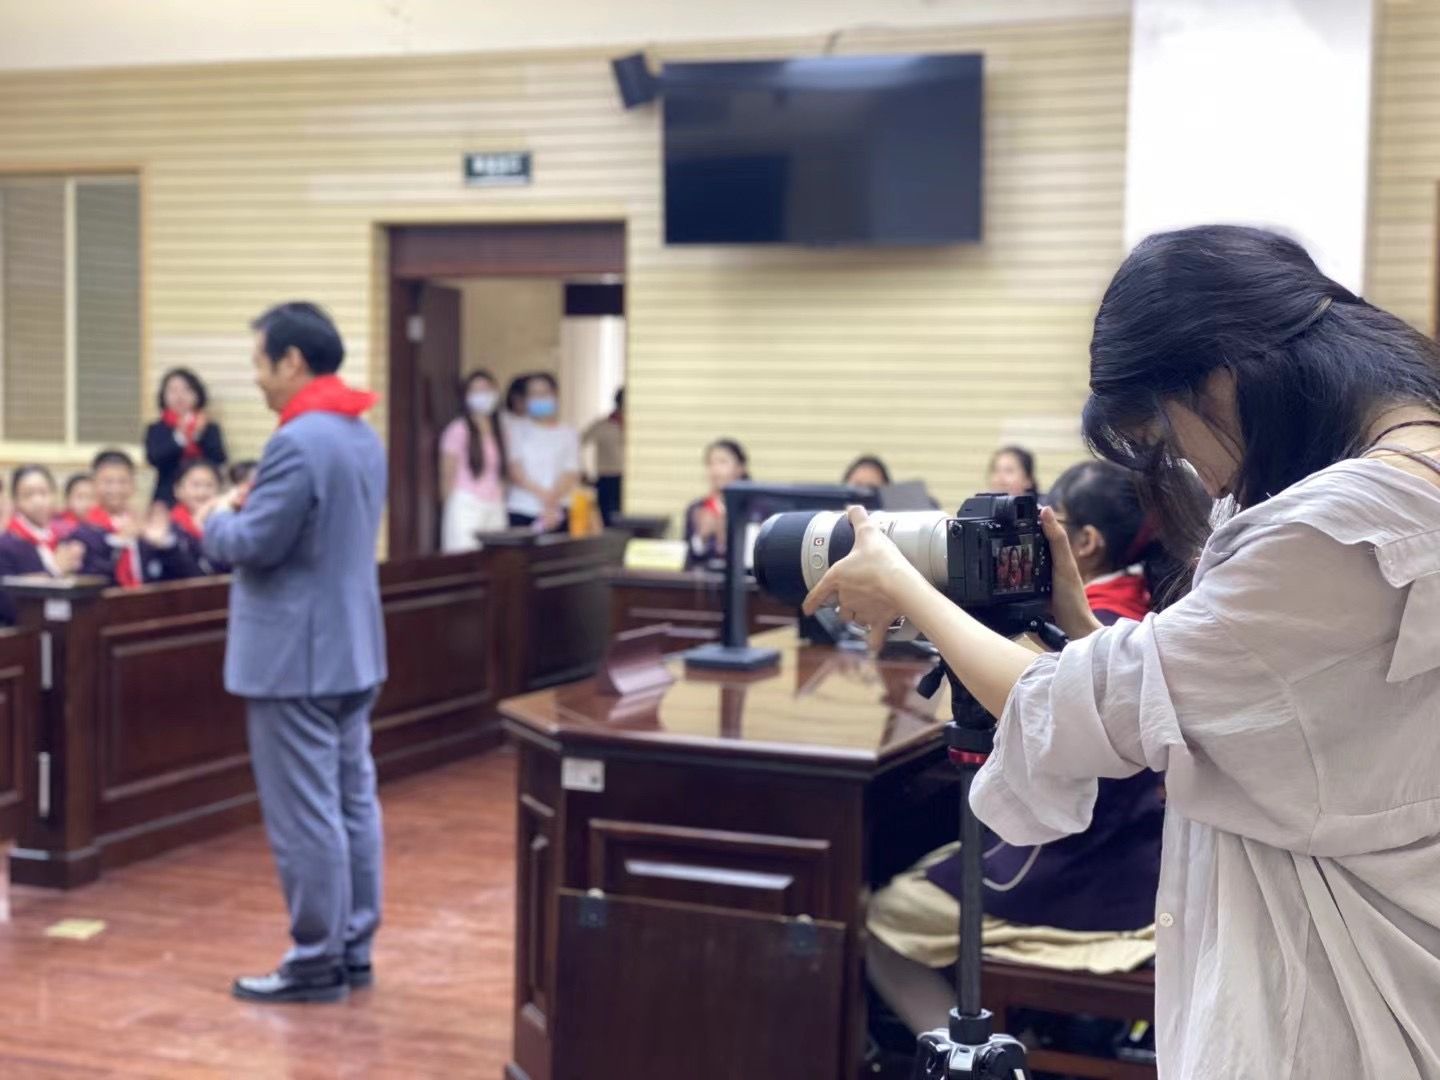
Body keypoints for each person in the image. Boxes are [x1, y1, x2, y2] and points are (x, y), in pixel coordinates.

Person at [804, 225, 1440, 1076]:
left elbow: (1072, 711)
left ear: (1216, 376)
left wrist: (905, 585)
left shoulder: (1330, 528)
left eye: (1168, 441)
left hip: (1333, 997)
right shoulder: (1413, 473)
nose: (1204, 479)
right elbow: (1239, 701)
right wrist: (1081, 622)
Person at [866, 458, 1195, 1039]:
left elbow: (1031, 711)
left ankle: (973, 1062)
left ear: (1086, 543)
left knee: (884, 917)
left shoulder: (1088, 627)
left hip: (1080, 868)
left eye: (1051, 523)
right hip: (1134, 855)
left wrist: (910, 594)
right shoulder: (1143, 610)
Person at [199, 301, 387, 1005]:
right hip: (352, 647)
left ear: (293, 361)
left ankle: (314, 960)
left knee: (306, 815)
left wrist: (215, 519)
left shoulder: (297, 441)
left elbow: (256, 544)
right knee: (352, 803)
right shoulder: (360, 434)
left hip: (294, 658)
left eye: (259, 361)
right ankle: (352, 946)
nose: (255, 377)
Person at [71, 449, 195, 585]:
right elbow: (90, 575)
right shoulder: (83, 532)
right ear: (94, 485)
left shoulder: (147, 522)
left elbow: (184, 574)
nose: (115, 489)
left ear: (133, 484)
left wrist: (164, 544)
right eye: (108, 482)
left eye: (122, 481)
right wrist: (118, 541)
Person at [0, 466, 87, 625]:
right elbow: (7, 603)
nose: (38, 501)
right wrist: (54, 570)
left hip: (66, 625)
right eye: (28, 495)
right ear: (16, 501)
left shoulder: (64, 537)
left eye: (44, 493)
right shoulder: (6, 545)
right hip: (27, 631)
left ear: (54, 496)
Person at [439, 371, 509, 552]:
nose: (481, 395)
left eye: (486, 390)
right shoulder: (458, 429)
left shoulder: (500, 430)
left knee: (496, 557)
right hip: (466, 503)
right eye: (475, 391)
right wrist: (449, 508)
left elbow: (501, 470)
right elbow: (447, 473)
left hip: (494, 504)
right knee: (464, 556)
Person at [505, 373, 580, 531]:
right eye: (534, 394)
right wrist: (544, 496)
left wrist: (553, 499)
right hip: (523, 507)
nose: (540, 398)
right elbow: (515, 471)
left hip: (559, 509)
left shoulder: (568, 433)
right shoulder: (516, 429)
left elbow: (571, 472)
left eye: (544, 393)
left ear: (555, 395)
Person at [145, 367, 228, 506]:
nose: (179, 396)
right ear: (163, 396)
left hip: (204, 496)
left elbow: (219, 459)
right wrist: (181, 438)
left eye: (186, 390)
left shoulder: (210, 427)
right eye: (173, 390)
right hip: (167, 498)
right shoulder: (156, 428)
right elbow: (154, 458)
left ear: (197, 394)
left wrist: (197, 435)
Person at [684, 438, 749, 569]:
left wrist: (727, 536)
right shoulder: (697, 508)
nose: (715, 470)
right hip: (705, 578)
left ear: (740, 468)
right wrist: (701, 538)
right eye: (710, 463)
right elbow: (687, 559)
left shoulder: (755, 508)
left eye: (722, 462)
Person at [170, 460, 229, 576]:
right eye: (195, 485)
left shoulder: (227, 522)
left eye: (209, 485)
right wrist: (197, 522)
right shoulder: (169, 527)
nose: (202, 492)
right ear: (178, 490)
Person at [582, 387, 624, 525]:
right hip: (608, 478)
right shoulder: (602, 425)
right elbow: (578, 444)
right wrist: (583, 471)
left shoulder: (638, 425)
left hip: (632, 479)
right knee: (608, 520)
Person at [54, 473, 96, 538]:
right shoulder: (58, 525)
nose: (86, 503)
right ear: (68, 499)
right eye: (80, 497)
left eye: (91, 497)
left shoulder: (98, 525)